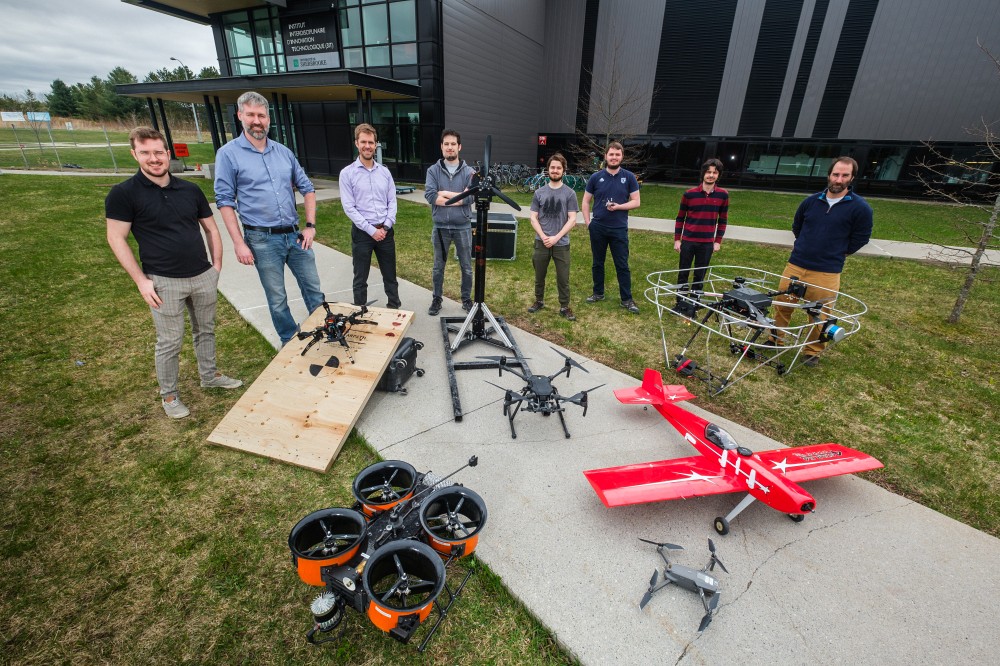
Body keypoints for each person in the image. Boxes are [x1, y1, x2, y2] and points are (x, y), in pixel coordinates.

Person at [106, 127, 242, 419]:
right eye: (145, 153)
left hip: (202, 275)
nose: (153, 159)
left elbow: (211, 228)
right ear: (135, 155)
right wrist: (142, 281)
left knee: (205, 330)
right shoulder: (123, 194)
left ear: (167, 154)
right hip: (163, 281)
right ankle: (169, 395)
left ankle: (210, 376)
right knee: (169, 341)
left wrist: (216, 267)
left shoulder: (190, 190)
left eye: (158, 152)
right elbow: (116, 238)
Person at [214, 90, 324, 346]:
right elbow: (225, 201)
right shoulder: (228, 154)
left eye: (261, 115)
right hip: (261, 238)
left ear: (268, 119)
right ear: (240, 116)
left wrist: (310, 226)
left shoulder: (283, 152)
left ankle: (323, 331)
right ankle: (290, 341)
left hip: (295, 236)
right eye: (251, 115)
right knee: (277, 297)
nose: (257, 121)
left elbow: (307, 188)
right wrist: (239, 243)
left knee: (313, 290)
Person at [770, 156, 873, 366]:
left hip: (827, 271)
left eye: (844, 175)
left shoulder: (861, 208)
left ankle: (813, 351)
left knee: (820, 315)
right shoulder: (811, 201)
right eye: (836, 174)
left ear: (851, 178)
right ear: (829, 175)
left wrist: (837, 251)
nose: (839, 179)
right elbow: (797, 226)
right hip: (796, 265)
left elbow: (860, 238)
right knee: (782, 305)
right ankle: (775, 339)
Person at [339, 123, 400, 309]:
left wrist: (386, 226)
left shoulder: (385, 172)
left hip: (386, 231)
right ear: (357, 143)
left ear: (376, 145)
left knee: (390, 274)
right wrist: (372, 230)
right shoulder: (347, 174)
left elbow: (393, 202)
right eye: (363, 142)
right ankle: (360, 311)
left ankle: (394, 307)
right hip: (362, 233)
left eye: (371, 142)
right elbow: (349, 208)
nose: (367, 146)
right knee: (360, 277)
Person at [581, 141, 642, 313]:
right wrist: (588, 223)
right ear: (606, 156)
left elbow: (636, 202)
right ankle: (597, 293)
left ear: (622, 156)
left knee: (622, 264)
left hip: (618, 229)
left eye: (617, 154)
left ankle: (627, 299)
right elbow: (585, 201)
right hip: (598, 227)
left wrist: (619, 207)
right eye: (611, 154)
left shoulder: (629, 177)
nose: (614, 157)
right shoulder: (595, 177)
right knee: (597, 263)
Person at [424, 129, 475, 315]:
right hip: (440, 228)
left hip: (463, 227)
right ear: (442, 147)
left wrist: (443, 193)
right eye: (446, 144)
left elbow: (470, 198)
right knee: (438, 267)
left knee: (467, 267)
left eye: (453, 144)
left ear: (459, 147)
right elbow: (430, 196)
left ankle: (466, 299)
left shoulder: (470, 172)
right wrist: (459, 196)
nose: (450, 147)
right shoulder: (432, 171)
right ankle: (437, 299)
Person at [527, 153, 579, 320]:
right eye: (552, 167)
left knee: (563, 278)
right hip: (541, 241)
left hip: (561, 243)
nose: (555, 170)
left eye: (558, 168)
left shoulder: (570, 194)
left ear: (563, 170)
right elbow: (533, 217)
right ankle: (539, 301)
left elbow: (572, 219)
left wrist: (556, 237)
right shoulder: (539, 193)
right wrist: (543, 236)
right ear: (547, 170)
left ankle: (564, 306)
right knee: (539, 275)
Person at [673, 158, 728, 314]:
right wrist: (677, 239)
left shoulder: (723, 196)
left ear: (718, 175)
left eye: (714, 173)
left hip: (706, 243)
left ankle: (694, 305)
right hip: (688, 241)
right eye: (708, 172)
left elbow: (723, 220)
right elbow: (680, 218)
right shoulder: (689, 194)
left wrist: (717, 241)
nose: (711, 175)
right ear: (703, 173)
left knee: (700, 276)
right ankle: (680, 304)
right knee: (683, 273)